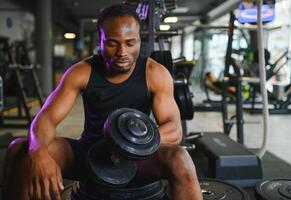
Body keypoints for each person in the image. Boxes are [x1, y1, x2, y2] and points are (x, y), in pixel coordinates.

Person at [3, 4, 203, 200]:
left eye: (130, 43)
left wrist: (130, 146)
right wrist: (39, 153)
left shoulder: (155, 73)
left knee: (180, 159)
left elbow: (174, 129)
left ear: (139, 40)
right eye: (112, 43)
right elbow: (45, 118)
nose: (122, 52)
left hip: (138, 157)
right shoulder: (82, 71)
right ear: (100, 40)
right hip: (90, 152)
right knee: (21, 150)